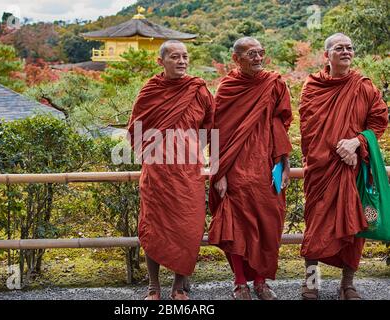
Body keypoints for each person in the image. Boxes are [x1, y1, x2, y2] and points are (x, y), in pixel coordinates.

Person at [299, 33, 388, 300]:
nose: (346, 51)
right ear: (327, 55)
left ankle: (347, 284)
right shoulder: (312, 86)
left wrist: (357, 143)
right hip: (322, 168)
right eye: (339, 48)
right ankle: (312, 282)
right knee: (315, 226)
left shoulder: (363, 86)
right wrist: (337, 152)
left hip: (353, 169)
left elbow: (378, 121)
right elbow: (308, 129)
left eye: (350, 47)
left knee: (355, 226)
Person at [127, 40, 215, 300]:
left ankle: (179, 286)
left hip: (188, 172)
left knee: (188, 227)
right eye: (175, 57)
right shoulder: (150, 91)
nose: (181, 61)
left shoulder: (198, 89)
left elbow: (209, 125)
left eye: (185, 56)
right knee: (153, 226)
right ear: (160, 61)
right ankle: (154, 286)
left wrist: (189, 149)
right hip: (157, 173)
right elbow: (135, 128)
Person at [208, 37, 293, 300]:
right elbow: (216, 133)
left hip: (268, 164)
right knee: (235, 227)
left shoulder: (275, 83)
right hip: (235, 168)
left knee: (268, 224)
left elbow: (282, 124)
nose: (258, 58)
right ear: (236, 59)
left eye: (261, 53)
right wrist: (218, 173)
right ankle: (240, 282)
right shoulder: (227, 88)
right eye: (251, 54)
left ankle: (260, 281)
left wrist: (286, 164)